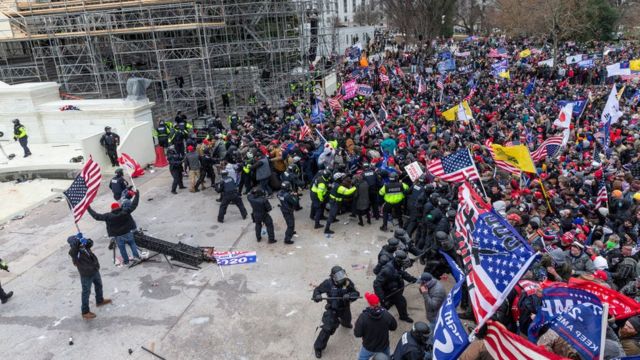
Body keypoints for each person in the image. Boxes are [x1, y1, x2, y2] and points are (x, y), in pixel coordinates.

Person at [312, 266, 360, 358]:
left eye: (342, 274)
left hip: (345, 308)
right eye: (338, 276)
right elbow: (317, 290)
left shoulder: (347, 282)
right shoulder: (328, 283)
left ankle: (345, 323)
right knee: (327, 328)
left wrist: (349, 295)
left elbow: (356, 294)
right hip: (332, 309)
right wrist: (317, 296)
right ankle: (318, 347)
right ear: (333, 277)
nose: (341, 278)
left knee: (347, 321)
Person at [87, 190, 141, 266]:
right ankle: (136, 257)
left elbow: (96, 216)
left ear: (112, 209)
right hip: (127, 232)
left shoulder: (108, 216)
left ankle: (126, 261)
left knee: (122, 249)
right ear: (119, 207)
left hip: (118, 236)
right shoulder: (125, 212)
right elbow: (134, 205)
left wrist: (88, 208)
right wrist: (137, 195)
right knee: (132, 244)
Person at [67, 233, 112, 319]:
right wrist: (77, 242)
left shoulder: (84, 246)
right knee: (86, 292)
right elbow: (73, 251)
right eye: (76, 241)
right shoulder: (74, 252)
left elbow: (91, 243)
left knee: (99, 285)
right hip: (86, 274)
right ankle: (85, 312)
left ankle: (99, 300)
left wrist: (86, 240)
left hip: (94, 270)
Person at [373, 250, 417, 323]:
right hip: (387, 292)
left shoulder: (398, 265)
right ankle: (375, 319)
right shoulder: (387, 270)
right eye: (404, 262)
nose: (406, 264)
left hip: (396, 290)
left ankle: (403, 316)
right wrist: (381, 298)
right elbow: (377, 284)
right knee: (384, 307)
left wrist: (411, 279)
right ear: (398, 261)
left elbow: (402, 273)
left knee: (402, 303)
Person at [354, 291, 398, 360]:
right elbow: (394, 327)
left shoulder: (363, 317)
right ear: (378, 303)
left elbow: (357, 334)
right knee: (387, 358)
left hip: (368, 347)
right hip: (384, 346)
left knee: (362, 358)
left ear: (369, 303)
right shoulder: (386, 314)